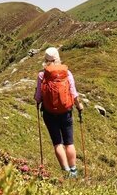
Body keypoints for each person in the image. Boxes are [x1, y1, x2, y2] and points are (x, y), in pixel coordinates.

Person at [35, 47, 84, 177]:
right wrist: (79, 106)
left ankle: (66, 171)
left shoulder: (42, 75)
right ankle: (74, 170)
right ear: (58, 58)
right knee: (69, 142)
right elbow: (74, 94)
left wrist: (38, 102)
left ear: (46, 60)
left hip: (49, 113)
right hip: (66, 112)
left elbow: (38, 97)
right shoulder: (67, 73)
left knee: (58, 142)